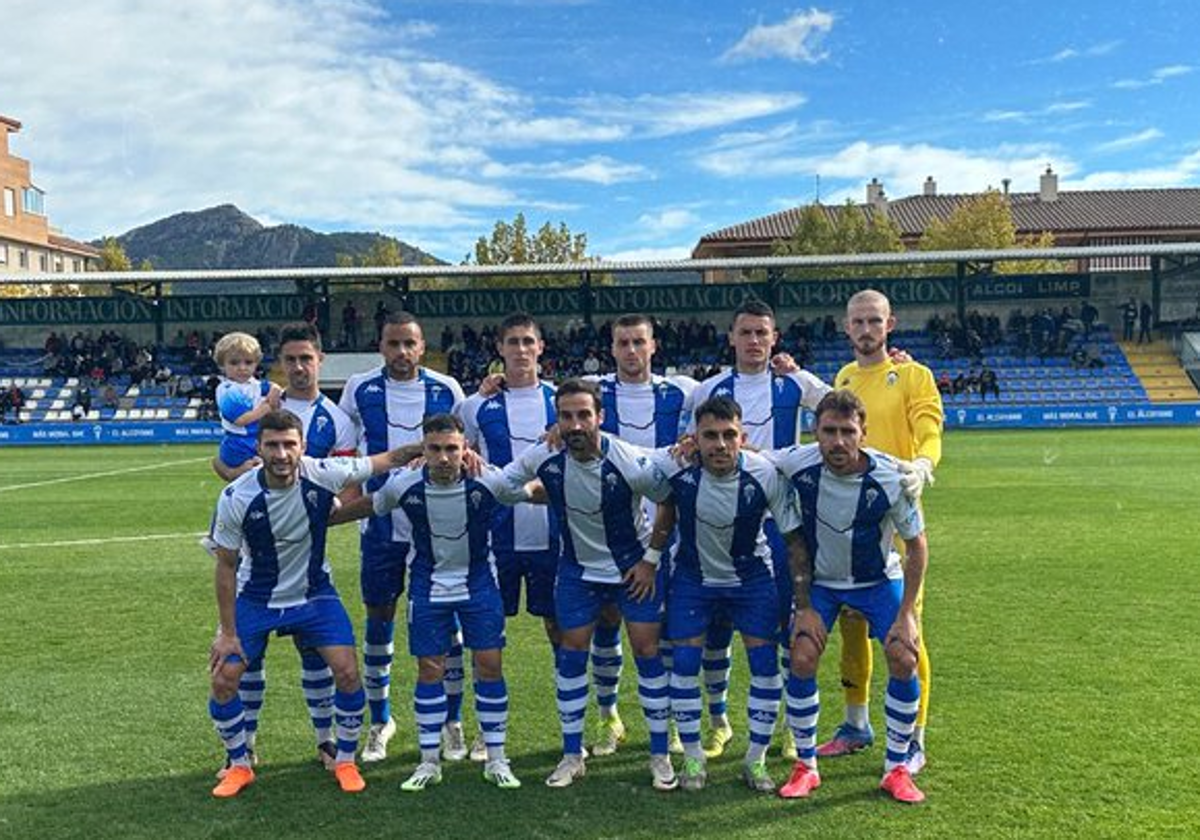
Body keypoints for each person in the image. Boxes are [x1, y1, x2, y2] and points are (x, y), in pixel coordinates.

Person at [205, 409, 414, 797]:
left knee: (348, 673)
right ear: (259, 447)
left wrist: (430, 451)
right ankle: (239, 763)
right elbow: (225, 567)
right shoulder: (236, 496)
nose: (282, 454)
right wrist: (227, 633)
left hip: (314, 594)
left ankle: (346, 759)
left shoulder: (322, 472)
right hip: (257, 597)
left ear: (302, 447)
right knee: (223, 678)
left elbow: (386, 460)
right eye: (273, 445)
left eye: (289, 444)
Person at [336, 414, 535, 791]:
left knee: (489, 666)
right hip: (428, 586)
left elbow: (529, 491)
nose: (444, 457)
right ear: (423, 451)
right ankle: (429, 761)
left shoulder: (487, 480)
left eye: (452, 449)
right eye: (435, 449)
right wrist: (322, 519)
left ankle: (497, 759)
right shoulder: (405, 483)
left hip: (478, 584)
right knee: (430, 669)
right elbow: (371, 504)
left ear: (465, 450)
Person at [499, 379, 676, 791]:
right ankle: (572, 754)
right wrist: (535, 490)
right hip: (578, 572)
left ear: (600, 416)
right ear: (556, 420)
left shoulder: (627, 459)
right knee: (571, 654)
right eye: (566, 416)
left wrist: (650, 560)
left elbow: (667, 498)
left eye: (583, 415)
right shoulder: (546, 456)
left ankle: (660, 754)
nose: (575, 424)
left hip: (633, 570)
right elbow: (506, 487)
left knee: (648, 652)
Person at [211, 322, 359, 775]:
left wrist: (307, 515)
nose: (298, 367)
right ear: (281, 363)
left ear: (320, 361)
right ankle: (244, 748)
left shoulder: (336, 419)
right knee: (244, 659)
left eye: (306, 358)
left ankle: (326, 742)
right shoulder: (262, 403)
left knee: (316, 652)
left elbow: (349, 490)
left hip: (306, 559)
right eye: (290, 359)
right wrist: (234, 472)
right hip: (252, 553)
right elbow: (224, 463)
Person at [769, 389, 929, 803]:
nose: (837, 441)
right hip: (821, 582)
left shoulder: (891, 477)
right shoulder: (796, 464)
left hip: (877, 580)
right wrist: (803, 608)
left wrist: (907, 613)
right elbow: (749, 455)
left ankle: (897, 767)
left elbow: (917, 547)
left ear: (863, 433)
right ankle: (806, 765)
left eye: (847, 431)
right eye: (828, 431)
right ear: (814, 432)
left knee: (904, 654)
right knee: (802, 654)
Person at [688, 299, 830, 759]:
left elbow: (845, 407)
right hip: (719, 524)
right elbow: (680, 443)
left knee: (789, 623)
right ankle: (719, 720)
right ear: (731, 337)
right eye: (745, 332)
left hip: (781, 521)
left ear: (775, 338)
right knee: (715, 627)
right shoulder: (708, 390)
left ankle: (790, 723)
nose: (753, 341)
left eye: (761, 333)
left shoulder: (794, 383)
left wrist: (893, 361)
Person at [653, 395, 808, 793]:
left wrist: (802, 604)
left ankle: (754, 760)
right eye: (710, 436)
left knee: (765, 667)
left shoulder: (764, 473)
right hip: (693, 579)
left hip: (751, 580)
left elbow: (793, 542)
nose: (720, 445)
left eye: (728, 435)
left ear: (743, 437)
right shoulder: (676, 469)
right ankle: (692, 756)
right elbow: (625, 457)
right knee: (684, 665)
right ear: (694, 439)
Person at [818, 289, 941, 775]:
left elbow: (929, 426)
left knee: (905, 629)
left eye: (874, 320)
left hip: (896, 515)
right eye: (858, 321)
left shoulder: (913, 375)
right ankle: (855, 724)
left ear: (890, 325)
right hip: (850, 516)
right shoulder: (844, 378)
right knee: (851, 625)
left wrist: (923, 464)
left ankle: (914, 738)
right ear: (846, 327)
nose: (866, 329)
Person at [338, 311, 466, 763]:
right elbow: (349, 451)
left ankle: (452, 720)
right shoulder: (360, 388)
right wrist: (349, 502)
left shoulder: (447, 389)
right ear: (381, 346)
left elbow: (465, 451)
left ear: (422, 346)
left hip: (439, 530)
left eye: (409, 344)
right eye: (393, 344)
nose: (401, 353)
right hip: (381, 527)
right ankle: (381, 720)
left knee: (447, 622)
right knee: (379, 618)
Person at [586, 314, 697, 755]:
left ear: (654, 346)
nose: (631, 351)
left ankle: (668, 719)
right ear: (611, 349)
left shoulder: (686, 390)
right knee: (607, 624)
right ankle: (608, 717)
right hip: (612, 532)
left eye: (639, 342)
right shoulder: (594, 391)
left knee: (664, 630)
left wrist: (783, 364)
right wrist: (489, 387)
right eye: (623, 343)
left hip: (672, 527)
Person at [459, 313, 560, 760]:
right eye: (512, 342)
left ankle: (569, 725)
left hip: (554, 534)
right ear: (499, 349)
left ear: (540, 348)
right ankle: (486, 730)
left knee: (564, 633)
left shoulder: (562, 401)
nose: (520, 349)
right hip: (495, 537)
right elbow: (467, 459)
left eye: (528, 342)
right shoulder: (475, 406)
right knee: (486, 637)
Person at [213, 332, 283, 471]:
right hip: (238, 443)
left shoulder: (256, 384)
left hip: (257, 440)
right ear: (222, 365)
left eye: (248, 362)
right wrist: (267, 407)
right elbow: (240, 420)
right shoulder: (227, 389)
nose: (242, 368)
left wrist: (276, 389)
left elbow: (275, 388)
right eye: (234, 363)